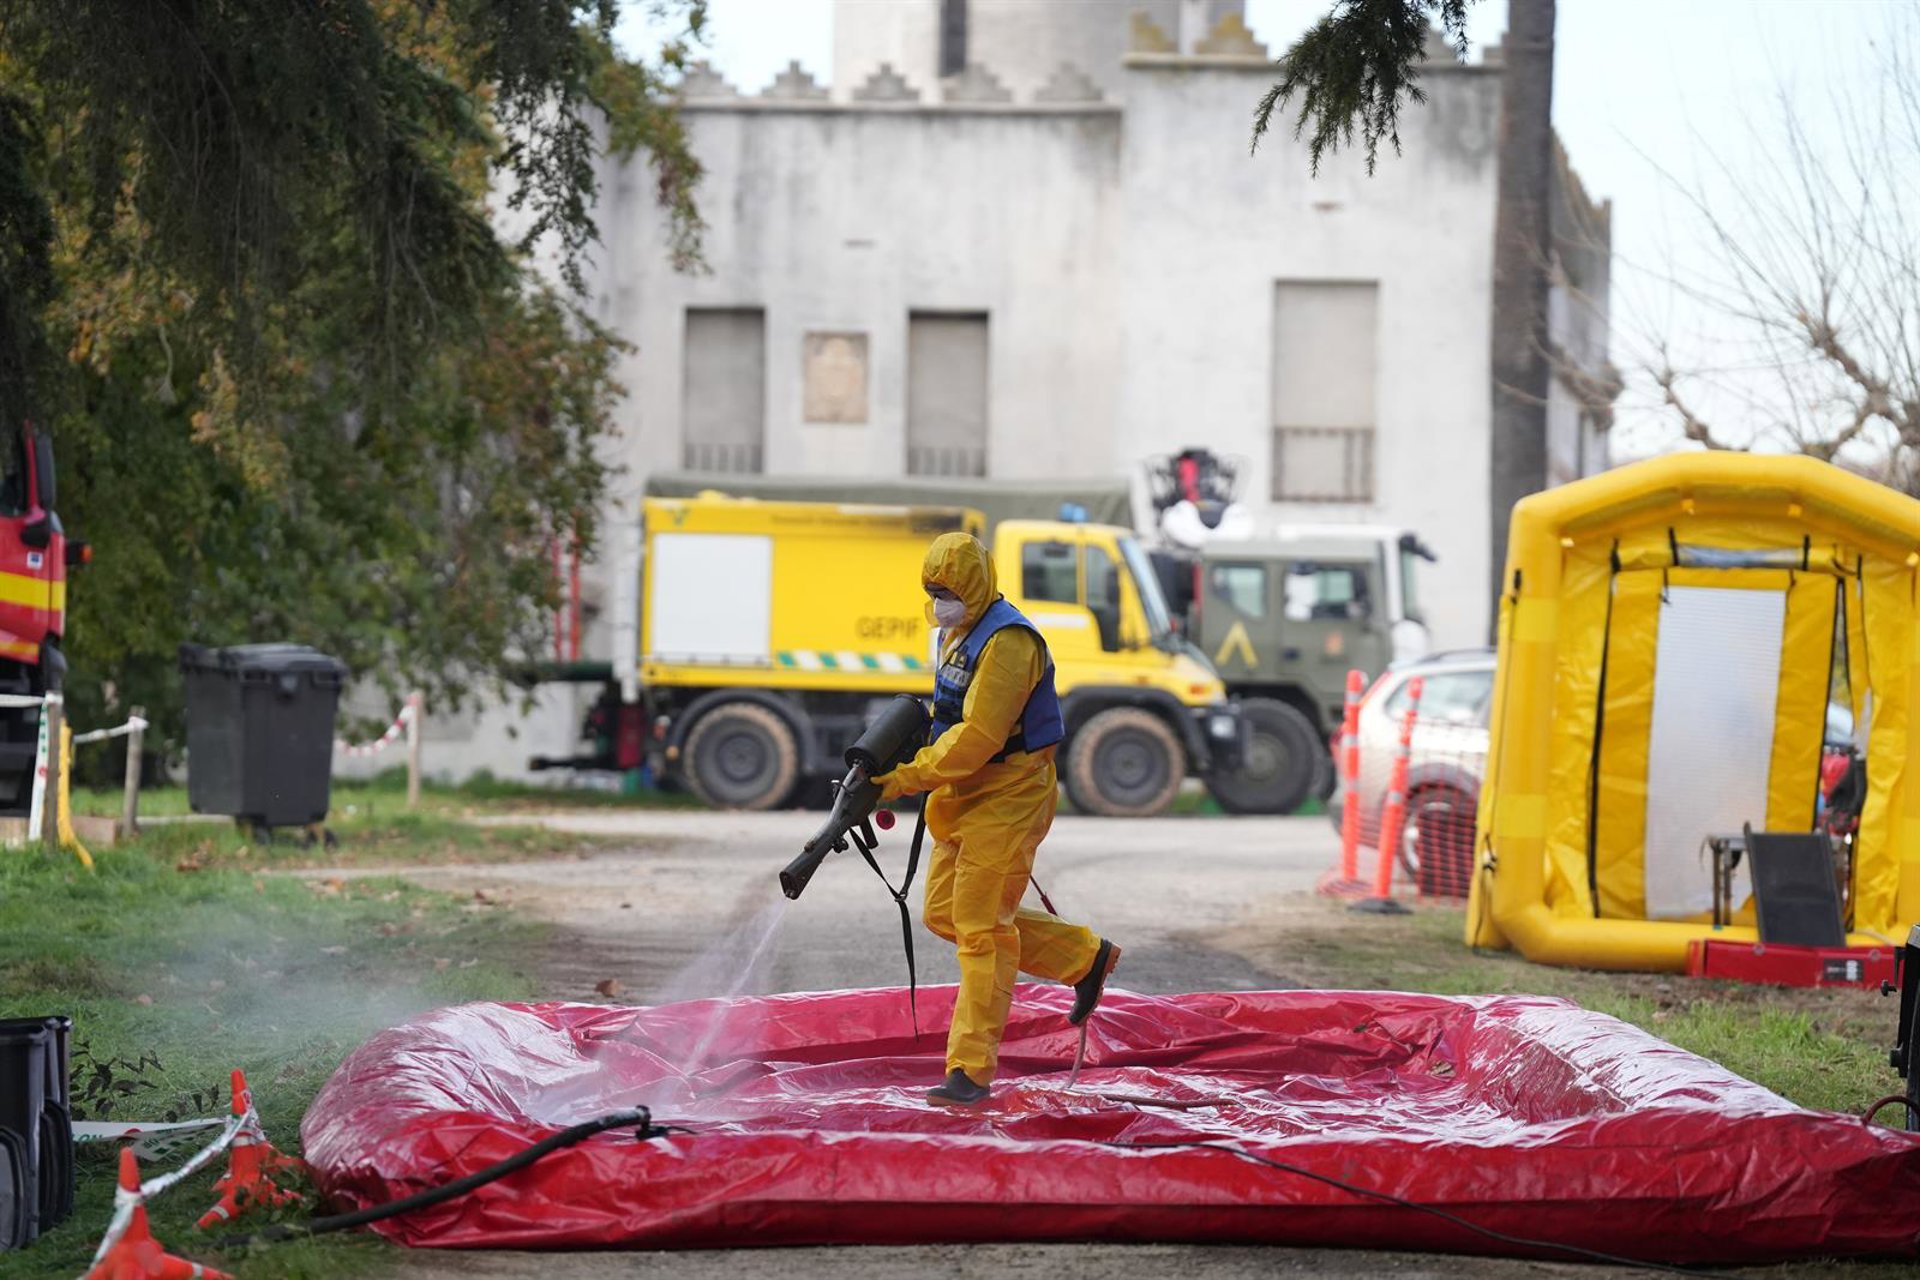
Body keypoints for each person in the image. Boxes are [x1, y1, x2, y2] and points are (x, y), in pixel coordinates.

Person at [874, 532, 1122, 1107]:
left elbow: (979, 737)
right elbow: (948, 717)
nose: (939, 604)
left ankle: (970, 1071)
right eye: (933, 593)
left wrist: (904, 779)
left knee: (982, 929)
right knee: (944, 912)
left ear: (975, 584)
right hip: (964, 793)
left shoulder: (1009, 642)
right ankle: (1084, 958)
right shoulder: (958, 632)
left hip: (1009, 794)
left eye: (948, 592)